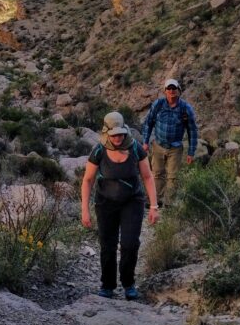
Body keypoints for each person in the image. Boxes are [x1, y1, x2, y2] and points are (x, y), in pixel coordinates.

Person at [81, 111, 159, 300]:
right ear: (107, 133)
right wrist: (85, 209)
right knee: (107, 244)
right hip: (105, 202)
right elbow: (88, 180)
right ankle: (107, 285)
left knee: (130, 244)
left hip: (132, 201)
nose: (117, 137)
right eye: (114, 134)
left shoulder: (135, 148)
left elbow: (147, 177)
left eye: (120, 133)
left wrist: (154, 206)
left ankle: (128, 283)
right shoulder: (99, 150)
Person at [140, 78, 199, 208]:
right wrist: (145, 142)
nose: (172, 91)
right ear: (165, 91)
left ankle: (169, 203)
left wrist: (191, 152)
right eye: (169, 89)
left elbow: (192, 131)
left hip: (175, 147)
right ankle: (155, 200)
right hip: (158, 145)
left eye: (174, 88)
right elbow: (148, 123)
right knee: (157, 173)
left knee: (173, 176)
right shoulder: (158, 105)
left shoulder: (185, 108)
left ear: (178, 90)